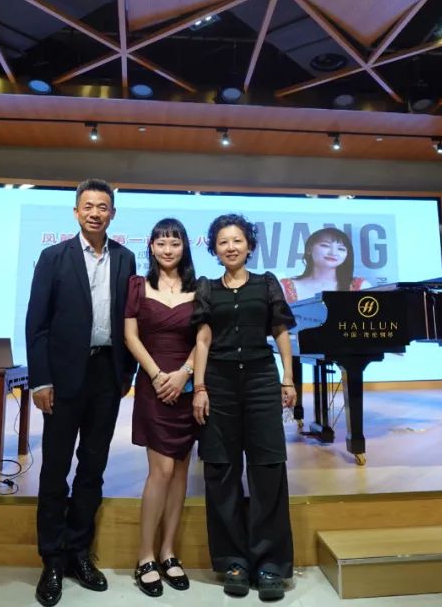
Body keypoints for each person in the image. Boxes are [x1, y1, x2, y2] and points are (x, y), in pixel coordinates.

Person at [25, 179, 137, 607]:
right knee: (55, 469)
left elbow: (131, 320)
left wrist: (126, 372)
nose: (95, 213)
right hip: (62, 378)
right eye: (88, 206)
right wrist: (41, 380)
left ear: (112, 214)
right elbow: (37, 324)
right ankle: (52, 559)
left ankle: (78, 552)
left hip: (106, 375)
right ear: (76, 212)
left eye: (102, 207)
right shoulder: (54, 257)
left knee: (92, 468)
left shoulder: (125, 258)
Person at [191, 214, 298, 601]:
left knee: (268, 468)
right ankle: (233, 561)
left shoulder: (266, 283)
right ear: (214, 249)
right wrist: (199, 388)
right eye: (223, 242)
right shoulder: (207, 288)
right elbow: (202, 340)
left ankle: (270, 564)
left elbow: (280, 330)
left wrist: (288, 378)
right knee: (221, 470)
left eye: (237, 240)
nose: (231, 247)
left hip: (261, 381)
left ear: (249, 245)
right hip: (218, 383)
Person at [123, 218, 200, 597]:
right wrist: (156, 375)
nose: (168, 250)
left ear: (184, 248)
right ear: (151, 247)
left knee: (181, 470)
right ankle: (145, 556)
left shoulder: (199, 289)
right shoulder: (137, 285)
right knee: (161, 471)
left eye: (175, 243)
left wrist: (184, 373)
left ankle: (168, 552)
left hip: (187, 385)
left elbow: (204, 338)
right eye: (161, 243)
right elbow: (130, 336)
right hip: (153, 386)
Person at [280, 227, 371, 303]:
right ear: (309, 249)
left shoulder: (361, 287)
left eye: (341, 249)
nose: (333, 253)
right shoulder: (284, 288)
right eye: (325, 245)